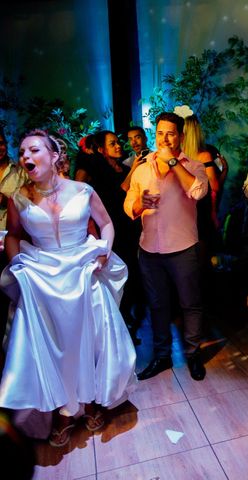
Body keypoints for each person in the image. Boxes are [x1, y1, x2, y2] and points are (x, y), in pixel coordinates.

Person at [0, 129, 136, 447]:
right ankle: (63, 410)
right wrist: (19, 266)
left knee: (88, 342)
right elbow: (13, 236)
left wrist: (104, 250)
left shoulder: (83, 190)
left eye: (33, 150)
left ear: (54, 155)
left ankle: (89, 402)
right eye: (22, 152)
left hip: (82, 272)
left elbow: (107, 223)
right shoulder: (18, 197)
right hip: (44, 277)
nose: (25, 157)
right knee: (54, 345)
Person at [124, 112, 208, 381]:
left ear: (181, 137)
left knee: (190, 303)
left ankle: (193, 354)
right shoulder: (142, 168)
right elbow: (129, 204)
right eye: (160, 133)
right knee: (158, 305)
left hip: (183, 247)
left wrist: (172, 161)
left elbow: (197, 192)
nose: (164, 138)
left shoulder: (194, 166)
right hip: (149, 249)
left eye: (171, 133)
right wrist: (139, 206)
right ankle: (162, 357)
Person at [77, 130, 145, 344]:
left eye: (118, 142)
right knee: (116, 277)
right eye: (113, 143)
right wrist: (134, 169)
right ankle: (119, 329)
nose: (119, 146)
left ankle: (130, 322)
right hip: (110, 229)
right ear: (101, 149)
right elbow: (118, 192)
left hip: (129, 227)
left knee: (133, 275)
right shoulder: (97, 170)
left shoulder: (123, 167)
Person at [0, 128, 28, 343]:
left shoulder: (19, 172)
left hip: (11, 239)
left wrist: (7, 199)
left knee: (10, 294)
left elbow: (28, 200)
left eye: (1, 142)